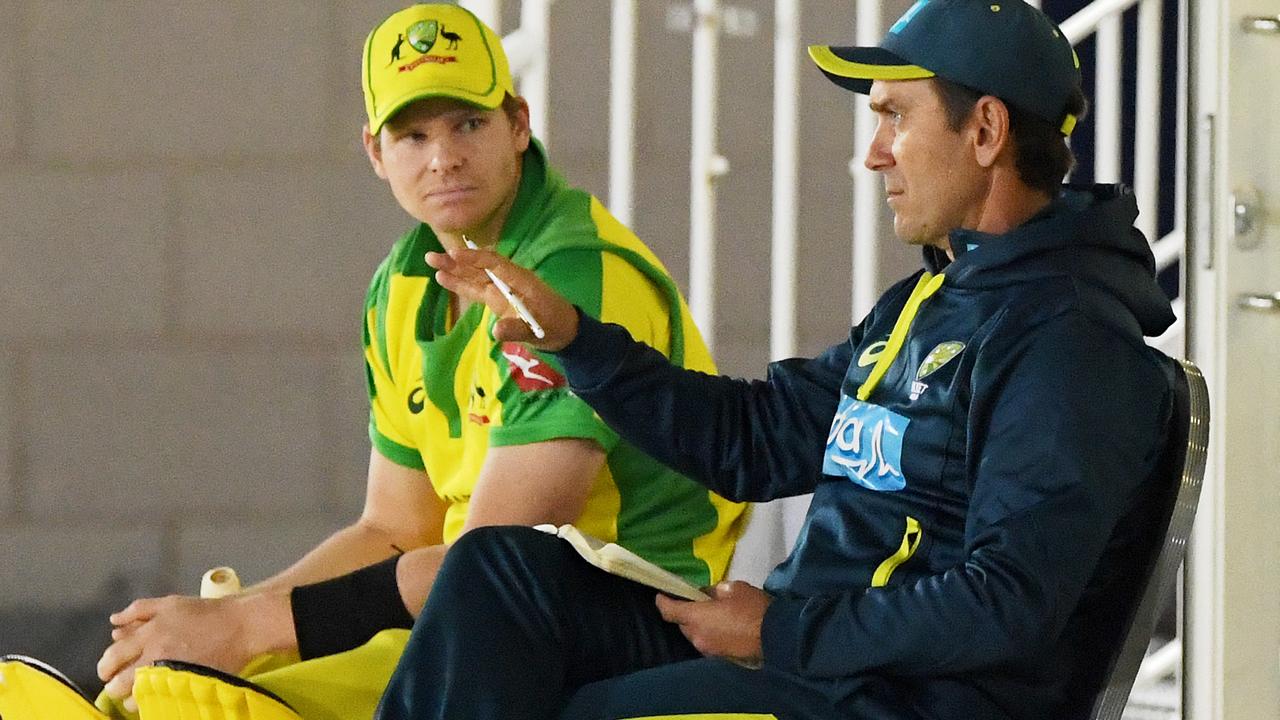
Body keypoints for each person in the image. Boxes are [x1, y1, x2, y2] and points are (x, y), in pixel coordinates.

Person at [373, 1, 1180, 719]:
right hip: (806, 660)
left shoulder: (1070, 344)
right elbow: (755, 439)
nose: (875, 153)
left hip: (876, 695)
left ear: (985, 131)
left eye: (896, 118)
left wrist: (779, 629)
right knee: (501, 579)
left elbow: (1006, 604)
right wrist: (575, 341)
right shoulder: (927, 304)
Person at [80, 4, 745, 720]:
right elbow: (393, 529)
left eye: (469, 124)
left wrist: (246, 628)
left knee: (230, 698)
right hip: (477, 604)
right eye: (413, 134)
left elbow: (493, 566)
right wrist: (232, 619)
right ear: (375, 152)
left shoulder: (570, 276)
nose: (443, 158)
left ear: (518, 124)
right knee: (182, 678)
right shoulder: (402, 285)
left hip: (633, 617)